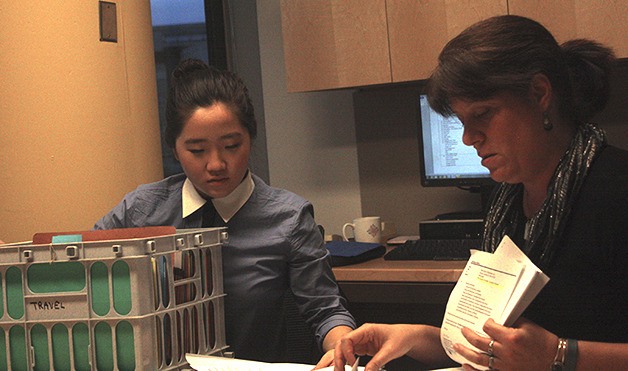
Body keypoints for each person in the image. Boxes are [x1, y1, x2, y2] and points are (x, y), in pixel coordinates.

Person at [334, 15, 628, 371]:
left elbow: (538, 353)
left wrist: (560, 354)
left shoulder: (614, 188)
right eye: (461, 121)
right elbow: (493, 348)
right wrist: (411, 336)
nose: (468, 138)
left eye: (483, 114)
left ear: (539, 94)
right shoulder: (507, 205)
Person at [94, 59, 355, 367]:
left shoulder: (289, 218)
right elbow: (88, 273)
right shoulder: (142, 210)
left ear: (250, 139)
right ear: (174, 149)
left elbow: (325, 309)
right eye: (197, 150)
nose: (216, 164)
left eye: (231, 146)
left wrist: (342, 346)